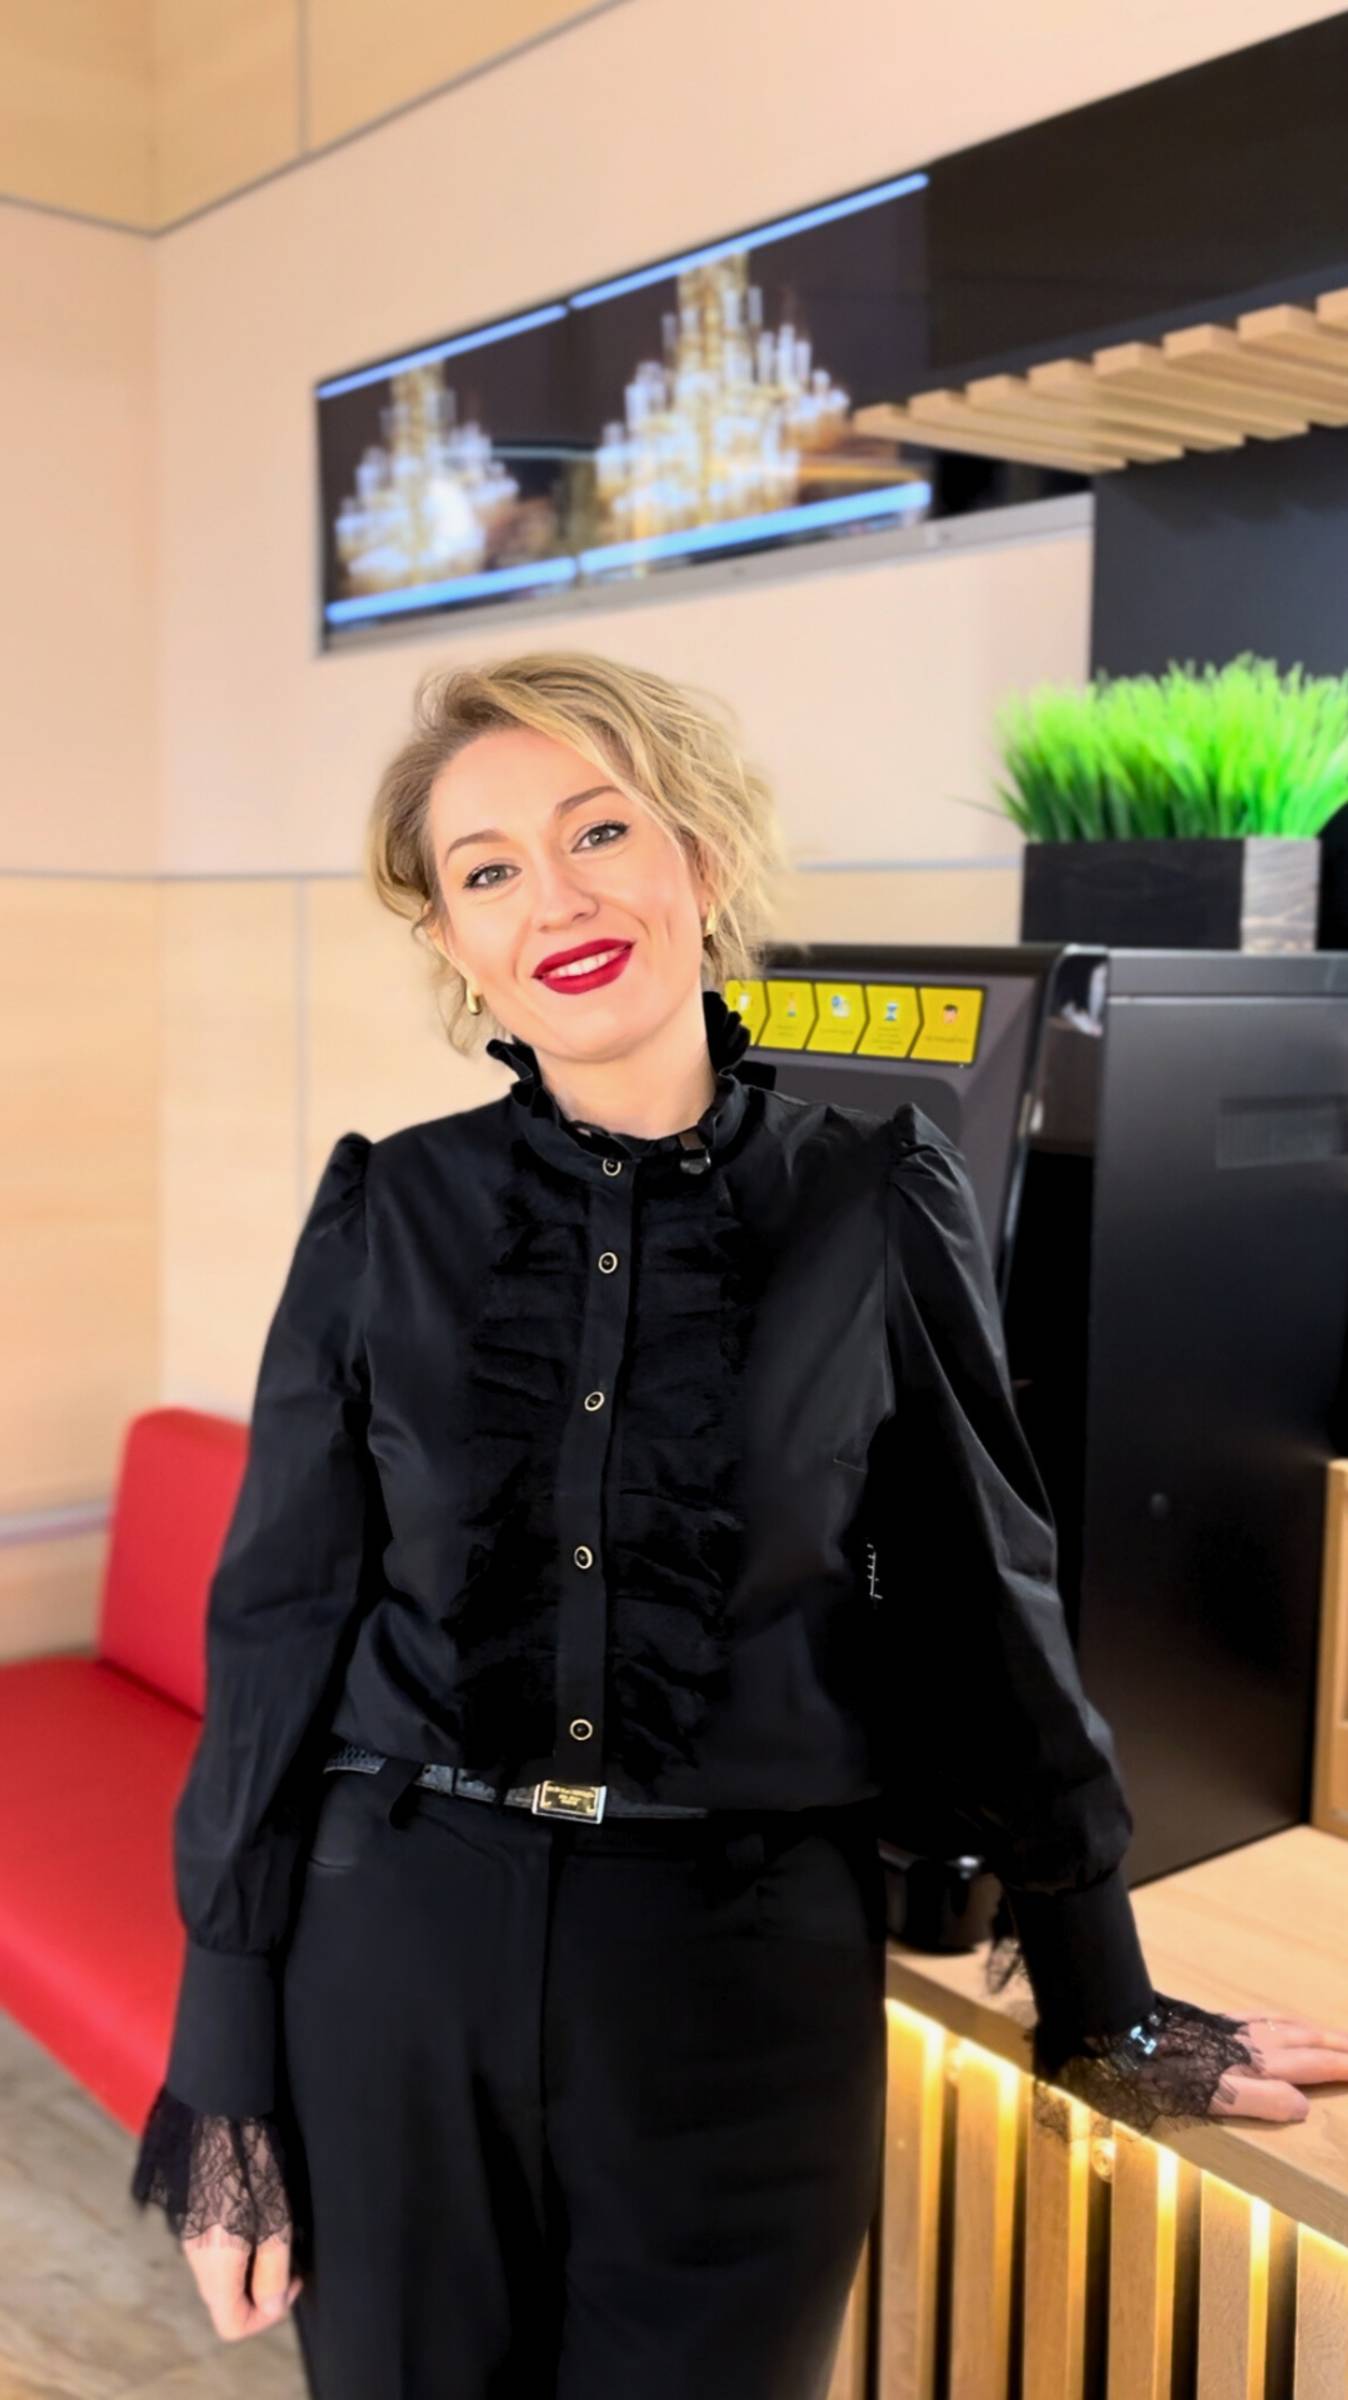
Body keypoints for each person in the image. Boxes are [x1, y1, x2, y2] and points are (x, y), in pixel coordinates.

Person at [128, 650, 1348, 2387]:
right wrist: (225, 2064)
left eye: (599, 831)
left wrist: (1107, 1995)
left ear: (698, 856)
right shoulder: (385, 1211)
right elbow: (276, 1637)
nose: (556, 898)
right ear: (456, 945)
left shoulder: (874, 1193)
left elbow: (982, 1598)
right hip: (391, 1966)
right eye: (488, 871)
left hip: (740, 1999)